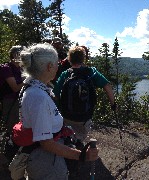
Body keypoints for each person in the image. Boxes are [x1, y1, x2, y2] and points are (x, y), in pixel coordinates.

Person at [19, 43, 98, 179]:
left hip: (39, 159)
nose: (58, 67)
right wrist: (81, 155)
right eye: (56, 64)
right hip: (47, 163)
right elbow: (46, 143)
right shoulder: (39, 97)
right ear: (50, 66)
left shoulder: (30, 86)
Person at [53, 46, 116, 143]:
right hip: (85, 117)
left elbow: (55, 94)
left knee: (68, 138)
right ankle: (79, 149)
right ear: (84, 58)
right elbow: (107, 86)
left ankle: (71, 150)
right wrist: (113, 104)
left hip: (67, 115)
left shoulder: (65, 74)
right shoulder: (91, 72)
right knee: (80, 138)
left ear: (69, 59)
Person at [0, 45, 24, 134]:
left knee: (18, 123)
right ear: (14, 55)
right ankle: (9, 143)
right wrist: (29, 80)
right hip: (9, 101)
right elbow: (15, 88)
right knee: (11, 124)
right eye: (20, 54)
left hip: (19, 100)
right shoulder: (6, 68)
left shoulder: (20, 68)